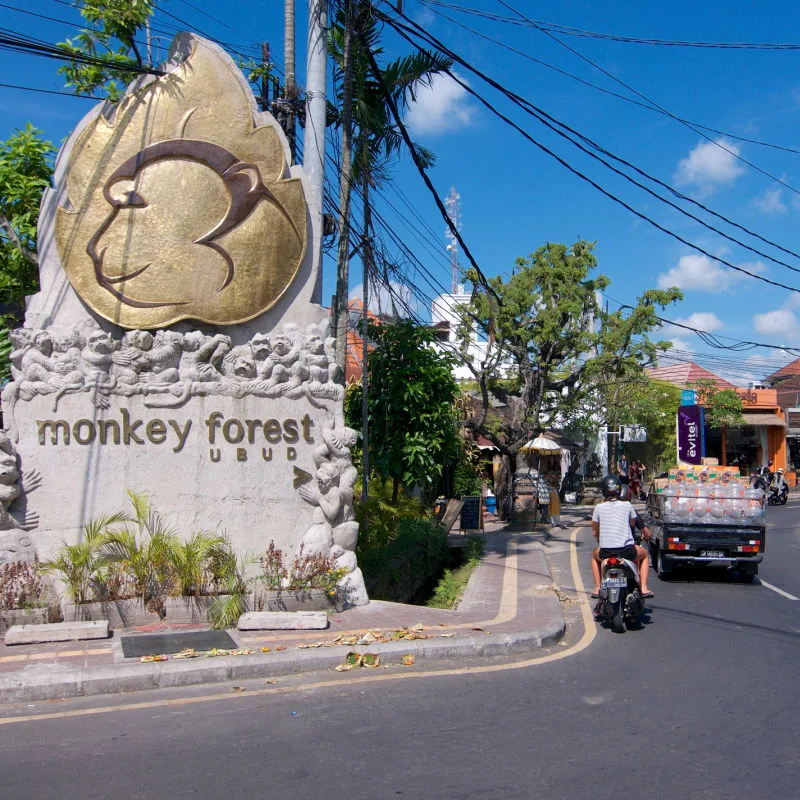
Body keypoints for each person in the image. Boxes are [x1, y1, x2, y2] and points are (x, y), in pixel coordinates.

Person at [591, 474, 653, 599]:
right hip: (627, 551)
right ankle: (644, 588)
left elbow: (595, 532)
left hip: (606, 552)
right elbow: (632, 523)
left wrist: (599, 539)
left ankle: (597, 588)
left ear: (603, 490)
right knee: (645, 554)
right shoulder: (627, 506)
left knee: (594, 555)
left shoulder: (598, 508)